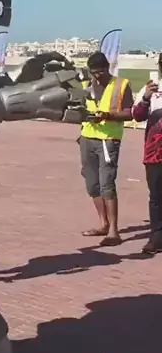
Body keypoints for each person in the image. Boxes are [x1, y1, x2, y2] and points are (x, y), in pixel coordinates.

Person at [79, 51, 134, 246]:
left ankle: (113, 231)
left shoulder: (121, 85)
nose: (97, 76)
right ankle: (103, 224)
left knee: (107, 184)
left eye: (100, 72)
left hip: (108, 139)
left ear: (107, 67)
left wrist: (107, 116)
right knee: (92, 184)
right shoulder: (86, 85)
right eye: (93, 72)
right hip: (87, 137)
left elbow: (130, 113)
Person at [132, 73, 162, 255]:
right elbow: (137, 116)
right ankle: (156, 237)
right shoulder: (150, 88)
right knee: (156, 196)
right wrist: (145, 98)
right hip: (155, 151)